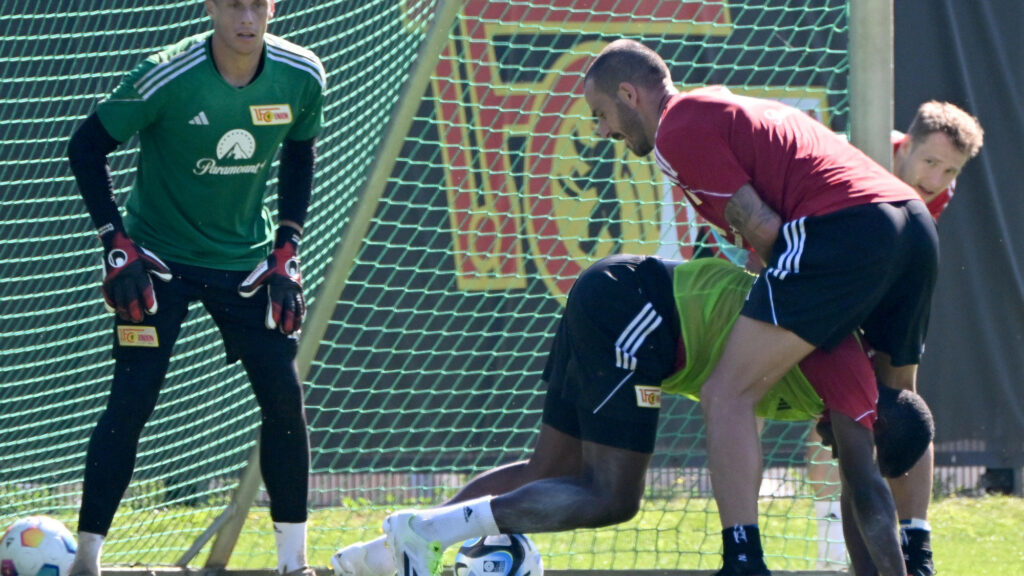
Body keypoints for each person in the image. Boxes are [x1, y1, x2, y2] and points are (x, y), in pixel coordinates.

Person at [330, 255, 934, 576]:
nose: (833, 446)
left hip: (618, 299)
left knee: (554, 466)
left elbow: (865, 489)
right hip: (637, 308)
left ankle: (391, 549)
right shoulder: (849, 375)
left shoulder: (850, 398)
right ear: (873, 424)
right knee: (614, 496)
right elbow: (868, 495)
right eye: (850, 444)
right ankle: (426, 532)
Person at [582, 40, 939, 576]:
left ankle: (743, 561)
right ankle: (916, 555)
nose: (603, 131)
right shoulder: (724, 106)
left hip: (843, 231)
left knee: (726, 393)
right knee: (888, 409)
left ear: (630, 94)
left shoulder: (677, 128)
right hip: (911, 221)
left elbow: (768, 232)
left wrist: (805, 314)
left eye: (602, 114)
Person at [64, 1, 325, 575]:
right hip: (158, 261)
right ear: (210, 6)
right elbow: (85, 146)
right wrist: (116, 241)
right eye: (233, 3)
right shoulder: (166, 74)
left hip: (246, 264)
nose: (246, 17)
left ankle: (294, 565)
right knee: (132, 400)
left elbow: (300, 152)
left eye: (257, 4)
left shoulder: (302, 74)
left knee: (284, 398)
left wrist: (287, 250)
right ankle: (86, 562)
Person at [810, 100, 984, 574]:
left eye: (950, 170)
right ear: (902, 145)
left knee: (902, 403)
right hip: (818, 285)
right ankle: (821, 529)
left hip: (879, 284)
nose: (936, 178)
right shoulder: (853, 158)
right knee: (818, 410)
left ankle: (916, 541)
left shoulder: (937, 195)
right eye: (930, 162)